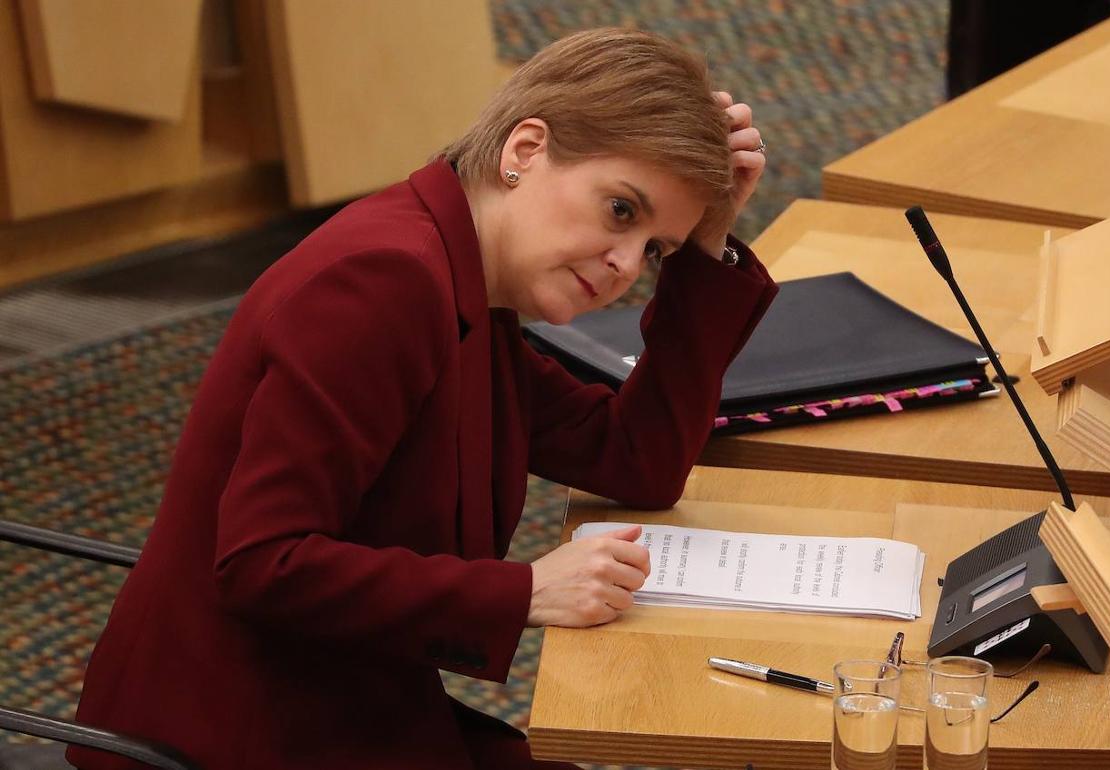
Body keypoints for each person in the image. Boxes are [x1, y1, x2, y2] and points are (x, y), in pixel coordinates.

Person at [68, 27, 776, 770]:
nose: (627, 264)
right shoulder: (386, 283)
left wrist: (707, 244)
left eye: (654, 249)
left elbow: (637, 460)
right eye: (622, 213)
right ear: (524, 151)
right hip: (237, 732)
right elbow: (263, 562)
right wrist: (525, 591)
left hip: (345, 699)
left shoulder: (472, 283)